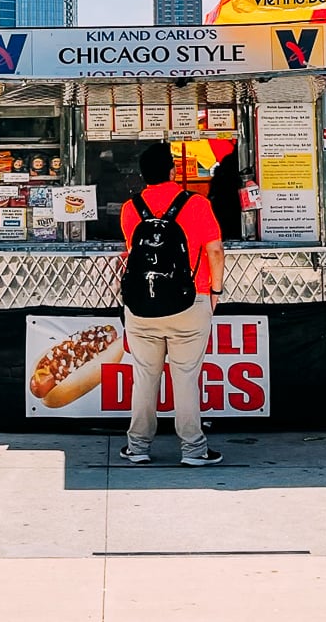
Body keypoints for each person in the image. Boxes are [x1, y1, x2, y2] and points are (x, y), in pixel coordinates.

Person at [118, 142, 225, 466]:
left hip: (141, 305)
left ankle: (138, 447)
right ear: (173, 171)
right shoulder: (198, 204)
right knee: (186, 378)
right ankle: (193, 450)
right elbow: (215, 251)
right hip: (191, 301)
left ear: (142, 174)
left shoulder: (129, 208)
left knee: (144, 377)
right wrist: (215, 292)